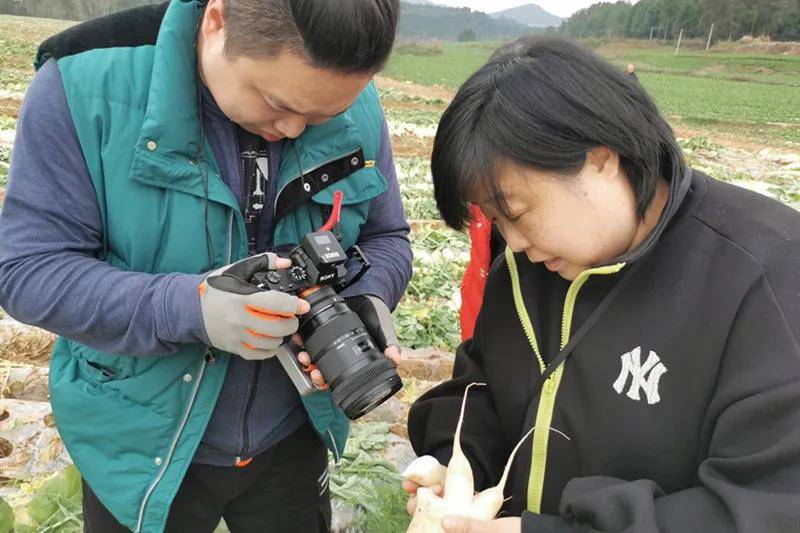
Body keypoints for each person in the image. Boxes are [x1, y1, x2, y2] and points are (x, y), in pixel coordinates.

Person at [0, 0, 412, 531]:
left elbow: (387, 237)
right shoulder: (82, 83)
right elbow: (28, 269)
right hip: (140, 444)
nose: (292, 129)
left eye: (321, 117)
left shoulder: (347, 96)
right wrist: (188, 308)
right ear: (218, 19)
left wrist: (370, 295)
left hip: (293, 433)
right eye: (274, 101)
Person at [405, 37, 799, 533]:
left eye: (518, 212)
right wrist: (456, 467)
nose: (514, 242)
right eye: (495, 220)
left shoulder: (767, 277)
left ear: (600, 158)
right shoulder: (531, 266)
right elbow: (484, 386)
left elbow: (769, 509)